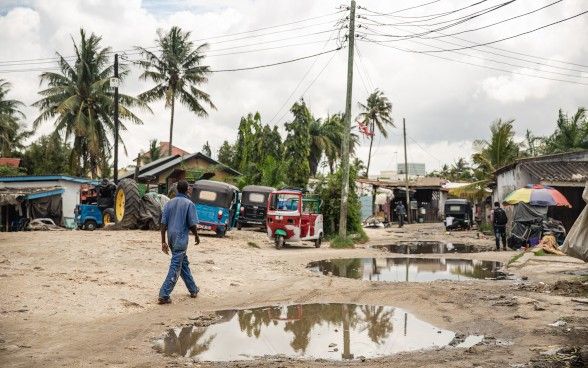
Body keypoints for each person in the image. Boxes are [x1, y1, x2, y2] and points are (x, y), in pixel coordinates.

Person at [158, 180, 200, 304]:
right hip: (181, 239)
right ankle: (164, 294)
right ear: (187, 189)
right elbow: (192, 224)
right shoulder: (189, 204)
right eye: (189, 188)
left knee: (183, 263)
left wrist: (163, 241)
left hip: (171, 238)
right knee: (176, 266)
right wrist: (197, 236)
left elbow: (163, 224)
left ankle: (193, 289)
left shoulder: (169, 203)